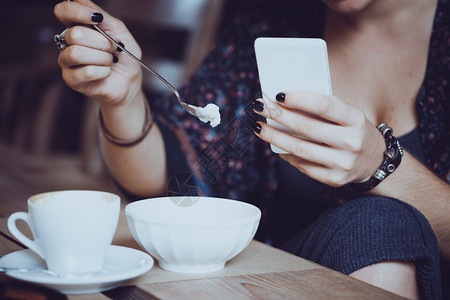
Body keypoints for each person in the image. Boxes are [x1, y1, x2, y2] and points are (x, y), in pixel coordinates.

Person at [54, 0, 449, 298]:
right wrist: (122, 101)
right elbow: (179, 183)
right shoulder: (273, 22)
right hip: (270, 280)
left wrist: (382, 165)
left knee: (381, 222)